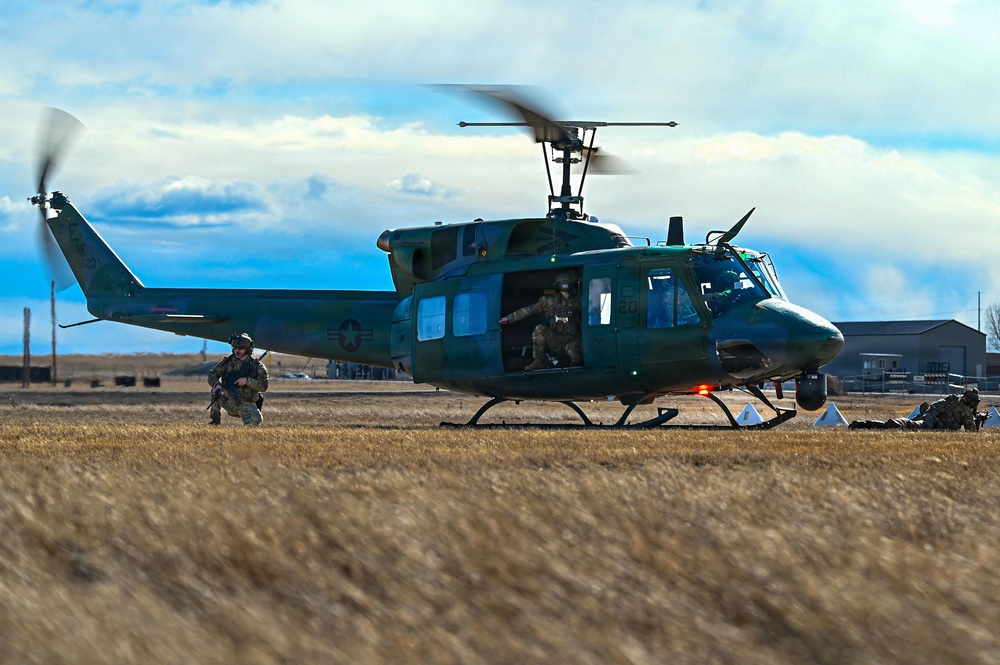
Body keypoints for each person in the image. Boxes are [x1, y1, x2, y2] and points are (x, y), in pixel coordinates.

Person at [500, 272, 583, 371]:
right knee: (539, 330)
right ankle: (538, 361)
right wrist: (509, 318)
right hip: (555, 339)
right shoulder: (549, 300)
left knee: (577, 357)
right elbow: (530, 310)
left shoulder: (578, 300)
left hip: (572, 341)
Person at [208, 332, 269, 426]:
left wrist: (247, 381)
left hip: (246, 404)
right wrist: (217, 385)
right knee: (216, 391)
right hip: (229, 400)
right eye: (235, 348)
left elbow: (264, 386)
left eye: (241, 348)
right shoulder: (227, 363)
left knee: (251, 426)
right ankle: (215, 421)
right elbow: (212, 375)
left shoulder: (257, 367)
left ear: (248, 349)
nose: (237, 350)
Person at [848, 389, 981, 431]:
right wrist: (977, 422)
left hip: (925, 416)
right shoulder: (965, 412)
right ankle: (868, 425)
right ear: (971, 401)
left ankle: (866, 424)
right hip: (932, 424)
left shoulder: (952, 399)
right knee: (905, 425)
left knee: (907, 424)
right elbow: (971, 433)